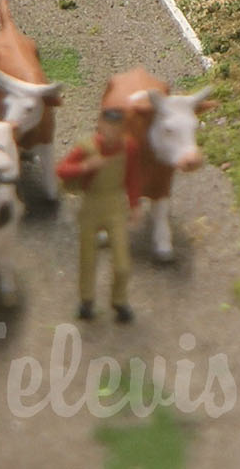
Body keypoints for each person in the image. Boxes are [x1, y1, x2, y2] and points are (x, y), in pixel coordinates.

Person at [56, 107, 142, 323]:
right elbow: (62, 170)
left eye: (117, 128)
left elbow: (132, 178)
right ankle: (86, 301)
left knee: (122, 263)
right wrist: (85, 166)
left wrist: (134, 205)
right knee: (88, 258)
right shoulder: (87, 148)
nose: (112, 132)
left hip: (115, 207)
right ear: (101, 125)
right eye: (108, 126)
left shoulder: (128, 148)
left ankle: (119, 301)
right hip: (91, 205)